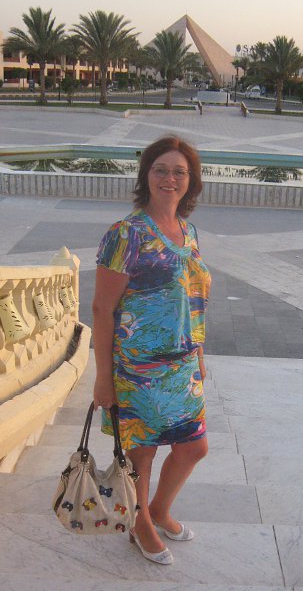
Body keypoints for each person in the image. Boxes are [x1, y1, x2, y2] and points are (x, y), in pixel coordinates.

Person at [92, 136, 211, 565]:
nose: (169, 178)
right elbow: (102, 309)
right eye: (161, 169)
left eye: (179, 171)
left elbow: (191, 297)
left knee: (194, 447)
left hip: (182, 364)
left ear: (191, 180)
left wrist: (199, 354)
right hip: (137, 368)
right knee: (141, 453)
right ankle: (140, 521)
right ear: (146, 175)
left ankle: (159, 509)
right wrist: (103, 378)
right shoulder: (126, 234)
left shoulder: (188, 232)